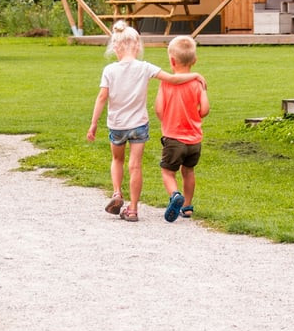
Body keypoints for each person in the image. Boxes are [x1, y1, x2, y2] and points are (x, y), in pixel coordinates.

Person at [86, 21, 204, 222]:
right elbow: (173, 79)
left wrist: (94, 123)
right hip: (139, 125)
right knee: (135, 166)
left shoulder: (109, 70)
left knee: (117, 160)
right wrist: (196, 75)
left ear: (115, 47)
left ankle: (116, 193)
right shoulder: (145, 67)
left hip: (117, 125)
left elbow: (101, 98)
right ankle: (132, 209)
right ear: (138, 46)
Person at [155, 36, 210, 222]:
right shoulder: (197, 84)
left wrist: (167, 120)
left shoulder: (166, 82)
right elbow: (205, 110)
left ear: (172, 60)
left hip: (173, 137)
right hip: (194, 139)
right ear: (194, 61)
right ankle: (187, 206)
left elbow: (159, 110)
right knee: (189, 171)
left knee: (168, 172)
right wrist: (202, 92)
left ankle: (174, 195)